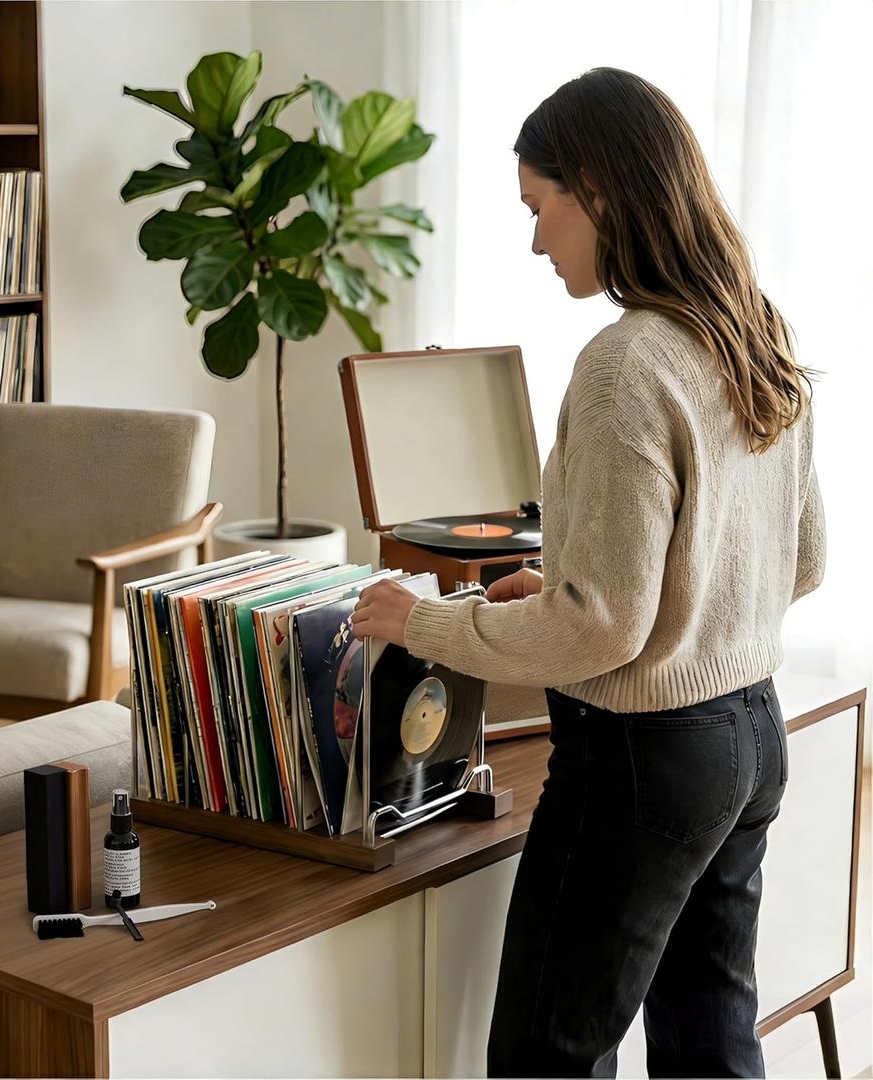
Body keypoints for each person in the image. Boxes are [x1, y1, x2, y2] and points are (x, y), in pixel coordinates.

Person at [351, 67, 825, 1078]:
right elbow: (801, 555)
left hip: (640, 764)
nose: (534, 241)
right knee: (710, 1041)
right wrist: (571, 588)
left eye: (540, 207)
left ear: (598, 191)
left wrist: (418, 623)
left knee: (544, 1057)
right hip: (747, 737)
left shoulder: (625, 362)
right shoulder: (753, 330)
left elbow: (605, 631)